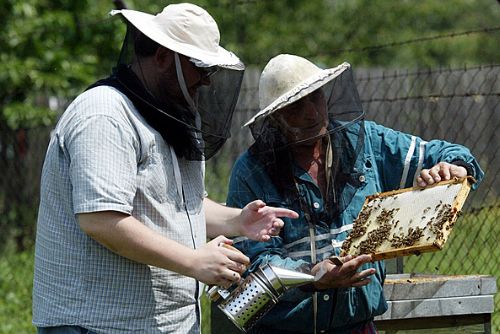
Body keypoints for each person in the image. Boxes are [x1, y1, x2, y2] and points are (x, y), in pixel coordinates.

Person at [32, 5, 298, 334]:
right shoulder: (104, 114)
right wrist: (193, 261)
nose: (206, 79)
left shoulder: (169, 116)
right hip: (97, 324)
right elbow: (100, 219)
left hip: (164, 324)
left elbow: (181, 207)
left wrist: (236, 221)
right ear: (161, 57)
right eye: (199, 66)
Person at [226, 54, 484, 334]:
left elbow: (447, 153)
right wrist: (313, 275)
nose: (311, 112)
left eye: (315, 97)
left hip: (358, 326)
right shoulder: (251, 172)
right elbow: (255, 265)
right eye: (295, 106)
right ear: (275, 117)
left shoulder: (367, 143)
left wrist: (453, 168)